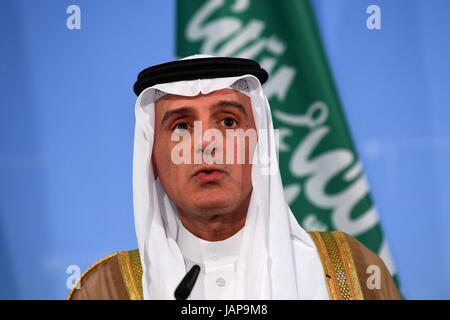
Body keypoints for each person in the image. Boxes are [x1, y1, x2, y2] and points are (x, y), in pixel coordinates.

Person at [68, 55, 401, 300]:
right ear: (151, 161)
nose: (205, 144)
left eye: (228, 122)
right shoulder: (104, 290)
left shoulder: (352, 273)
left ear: (261, 147)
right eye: (181, 127)